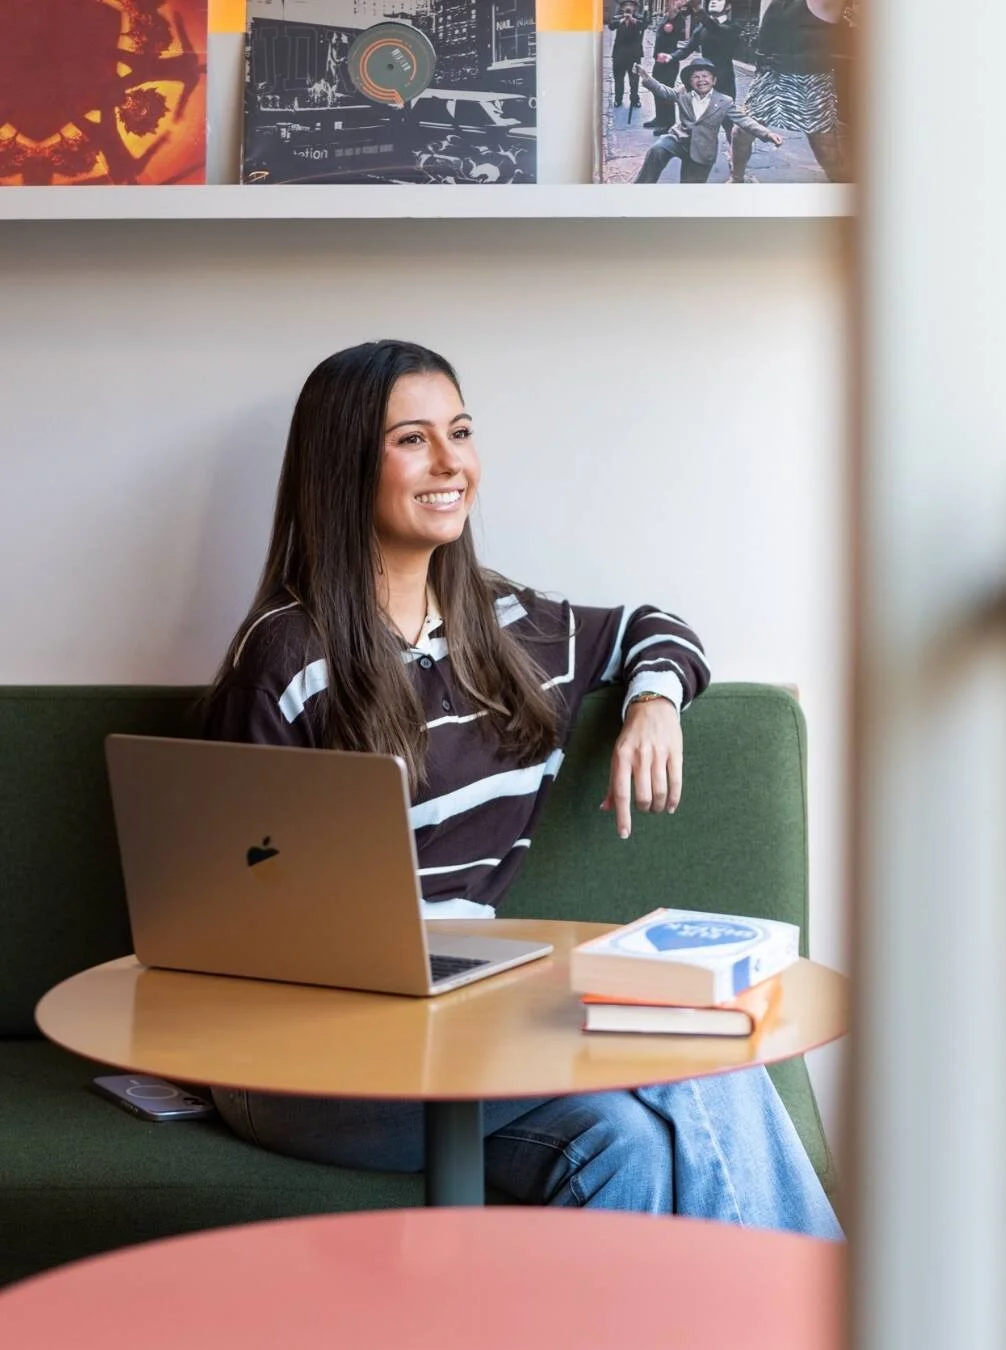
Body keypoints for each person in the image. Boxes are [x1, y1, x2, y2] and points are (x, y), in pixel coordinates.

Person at [200, 339, 841, 1237]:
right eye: (412, 440)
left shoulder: (508, 628)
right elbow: (224, 904)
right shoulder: (283, 657)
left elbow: (660, 628)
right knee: (705, 1050)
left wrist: (653, 702)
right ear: (345, 465)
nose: (451, 462)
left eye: (459, 432)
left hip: (466, 1013)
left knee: (625, 1143)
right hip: (306, 1056)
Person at [731, 0, 850, 183]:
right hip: (770, 75)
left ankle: (841, 185)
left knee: (824, 145)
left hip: (808, 81)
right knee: (741, 131)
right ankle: (736, 179)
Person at [633, 56, 781, 184]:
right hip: (680, 140)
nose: (701, 80)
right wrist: (646, 77)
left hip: (703, 149)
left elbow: (744, 120)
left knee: (690, 188)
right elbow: (664, 91)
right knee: (658, 149)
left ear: (714, 80)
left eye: (705, 76)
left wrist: (767, 134)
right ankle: (641, 187)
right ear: (690, 81)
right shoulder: (683, 93)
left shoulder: (724, 101)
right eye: (695, 77)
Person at [643, 0, 694, 134]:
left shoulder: (679, 21)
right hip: (658, 61)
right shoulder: (665, 17)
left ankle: (668, 122)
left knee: (667, 92)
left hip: (669, 63)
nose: (668, 4)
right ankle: (659, 118)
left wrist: (670, 56)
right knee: (656, 89)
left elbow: (682, 44)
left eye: (672, 2)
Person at [607, 1, 647, 109]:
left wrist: (632, 20)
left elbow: (644, 25)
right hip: (619, 54)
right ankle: (618, 99)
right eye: (626, 5)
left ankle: (634, 100)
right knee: (618, 78)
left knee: (634, 80)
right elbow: (611, 26)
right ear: (623, 7)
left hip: (634, 55)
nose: (628, 7)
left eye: (631, 5)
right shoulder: (617, 17)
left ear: (634, 7)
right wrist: (623, 20)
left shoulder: (639, 17)